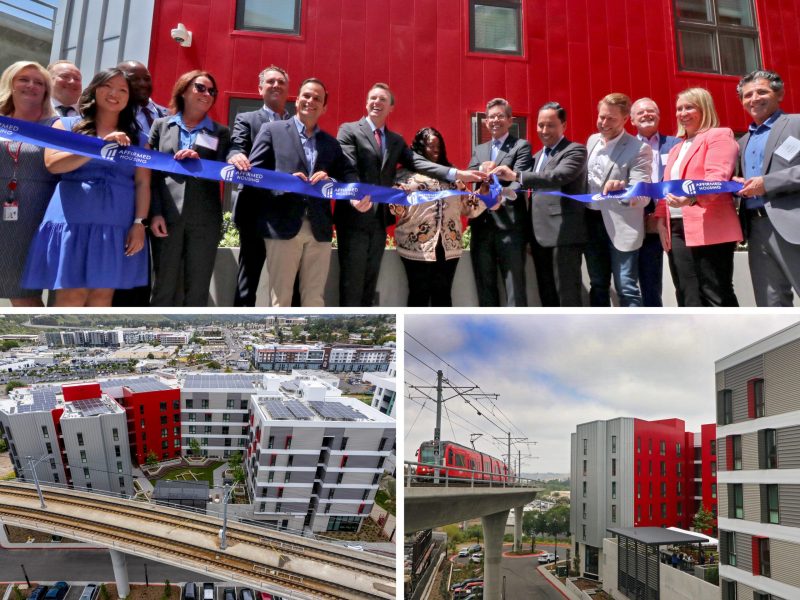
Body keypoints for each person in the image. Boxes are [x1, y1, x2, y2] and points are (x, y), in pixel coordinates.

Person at [336, 83, 485, 306]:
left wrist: (458, 174)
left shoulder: (395, 141)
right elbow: (347, 167)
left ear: (391, 108)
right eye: (373, 98)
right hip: (357, 218)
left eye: (382, 99)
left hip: (381, 224)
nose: (376, 102)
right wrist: (355, 194)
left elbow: (419, 163)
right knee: (353, 285)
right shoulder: (349, 130)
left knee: (369, 285)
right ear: (366, 103)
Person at [22, 67, 150, 306]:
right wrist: (98, 146)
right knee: (72, 294)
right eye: (107, 86)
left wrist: (138, 224)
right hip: (73, 219)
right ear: (94, 89)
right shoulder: (66, 125)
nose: (115, 93)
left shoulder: (140, 138)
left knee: (102, 296)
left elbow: (143, 183)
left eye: (122, 89)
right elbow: (53, 164)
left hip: (116, 224)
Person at [247, 78, 360, 306]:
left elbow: (348, 175)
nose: (311, 101)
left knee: (315, 299)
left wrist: (332, 181)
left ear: (324, 107)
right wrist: (283, 182)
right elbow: (252, 174)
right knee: (281, 299)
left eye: (317, 98)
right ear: (297, 100)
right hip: (283, 225)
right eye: (306, 96)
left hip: (319, 229)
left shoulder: (330, 143)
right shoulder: (272, 130)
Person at [148, 70, 231, 306]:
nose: (207, 94)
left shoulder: (220, 132)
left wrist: (200, 160)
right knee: (163, 284)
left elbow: (225, 165)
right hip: (166, 215)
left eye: (212, 91)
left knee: (198, 286)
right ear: (184, 90)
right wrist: (155, 212)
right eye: (200, 88)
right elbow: (151, 174)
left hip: (205, 219)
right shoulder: (160, 126)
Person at [492, 101, 588, 306]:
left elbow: (558, 176)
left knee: (567, 298)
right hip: (538, 238)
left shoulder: (575, 150)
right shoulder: (537, 157)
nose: (544, 131)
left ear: (564, 125)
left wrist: (516, 175)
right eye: (540, 125)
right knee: (548, 297)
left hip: (563, 236)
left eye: (550, 125)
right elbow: (523, 187)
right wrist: (500, 189)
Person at [654, 87, 742, 307]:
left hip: (709, 225)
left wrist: (690, 199)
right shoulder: (676, 148)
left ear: (704, 109)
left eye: (689, 107)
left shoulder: (719, 136)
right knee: (686, 293)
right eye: (678, 108)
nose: (682, 113)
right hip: (675, 228)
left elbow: (717, 178)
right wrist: (660, 221)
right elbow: (667, 188)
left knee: (714, 293)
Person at [392, 127, 485, 306]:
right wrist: (397, 197)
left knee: (443, 295)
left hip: (449, 246)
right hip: (415, 246)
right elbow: (396, 211)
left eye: (438, 146)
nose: (435, 149)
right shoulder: (404, 175)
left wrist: (485, 192)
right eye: (430, 145)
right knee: (419, 294)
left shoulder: (451, 174)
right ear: (419, 148)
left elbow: (468, 207)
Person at [734, 69, 800, 306]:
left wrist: (767, 183)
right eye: (747, 95)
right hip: (755, 228)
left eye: (762, 91)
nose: (754, 99)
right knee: (770, 303)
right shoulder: (742, 141)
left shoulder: (796, 123)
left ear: (779, 94)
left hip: (793, 225)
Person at [228, 65, 291, 306]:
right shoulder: (247, 119)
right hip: (254, 213)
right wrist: (234, 156)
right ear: (260, 88)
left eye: (281, 82)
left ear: (287, 90)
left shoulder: (296, 124)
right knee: (248, 282)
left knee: (287, 285)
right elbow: (236, 146)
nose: (276, 85)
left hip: (286, 216)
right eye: (270, 81)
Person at [584, 93, 652, 307]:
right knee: (597, 283)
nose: (604, 123)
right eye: (601, 117)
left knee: (626, 288)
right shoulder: (592, 141)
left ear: (625, 120)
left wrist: (624, 191)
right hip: (591, 221)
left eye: (611, 119)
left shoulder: (639, 149)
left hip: (621, 225)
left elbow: (643, 195)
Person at [0, 61, 59, 306]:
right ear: (10, 83)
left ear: (46, 91)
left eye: (39, 83)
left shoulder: (56, 126)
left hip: (35, 213)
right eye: (24, 79)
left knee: (23, 290)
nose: (31, 86)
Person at [467, 98, 532, 307]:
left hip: (510, 227)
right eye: (491, 117)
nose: (495, 120)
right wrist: (479, 175)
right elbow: (470, 177)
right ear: (485, 121)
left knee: (514, 286)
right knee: (484, 285)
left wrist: (500, 198)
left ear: (510, 120)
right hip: (482, 227)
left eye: (500, 116)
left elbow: (518, 182)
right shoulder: (479, 149)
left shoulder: (521, 146)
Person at [113, 60, 167, 308]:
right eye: (135, 79)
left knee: (151, 277)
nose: (144, 83)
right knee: (123, 272)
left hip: (163, 206)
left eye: (147, 77)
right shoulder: (116, 119)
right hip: (127, 204)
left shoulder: (167, 116)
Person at [631, 97, 681, 307]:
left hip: (672, 215)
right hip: (637, 217)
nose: (646, 115)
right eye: (640, 113)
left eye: (651, 111)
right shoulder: (627, 146)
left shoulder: (676, 145)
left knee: (683, 276)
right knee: (647, 280)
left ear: (659, 116)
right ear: (632, 120)